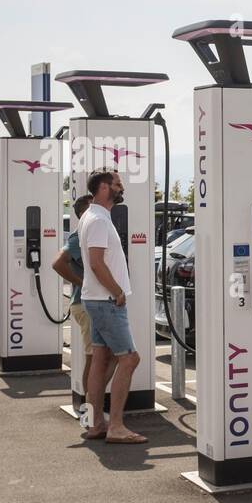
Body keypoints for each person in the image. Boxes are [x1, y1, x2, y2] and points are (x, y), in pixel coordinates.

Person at [78, 170, 146, 444]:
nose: (122, 188)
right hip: (106, 301)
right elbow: (96, 263)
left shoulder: (94, 218)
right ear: (104, 188)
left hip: (96, 299)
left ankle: (96, 424)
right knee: (130, 359)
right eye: (118, 184)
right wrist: (117, 291)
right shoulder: (97, 221)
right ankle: (116, 426)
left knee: (100, 360)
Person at [52, 195, 116, 424]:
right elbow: (58, 262)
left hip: (94, 304)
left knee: (109, 356)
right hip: (85, 305)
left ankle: (92, 408)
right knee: (98, 359)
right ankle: (90, 412)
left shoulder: (93, 233)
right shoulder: (80, 235)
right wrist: (81, 282)